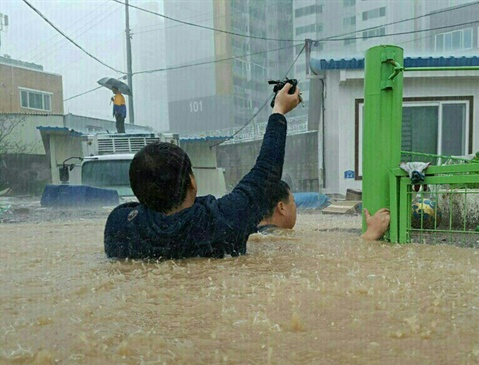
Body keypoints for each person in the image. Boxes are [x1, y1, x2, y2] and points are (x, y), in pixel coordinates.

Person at [104, 83, 302, 259]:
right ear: (192, 182)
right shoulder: (218, 223)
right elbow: (266, 172)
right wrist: (279, 110)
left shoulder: (119, 226)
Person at [256, 179, 391, 241]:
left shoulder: (254, 233)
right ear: (281, 208)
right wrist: (371, 234)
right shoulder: (280, 239)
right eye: (293, 202)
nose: (295, 207)